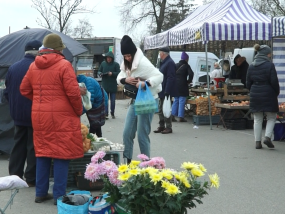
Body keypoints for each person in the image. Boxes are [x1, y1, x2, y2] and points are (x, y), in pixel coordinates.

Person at [20, 33, 83, 205]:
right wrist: (79, 110)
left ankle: (40, 193)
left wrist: (42, 101)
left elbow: (24, 89)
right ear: (58, 49)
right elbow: (73, 93)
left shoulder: (34, 66)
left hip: (40, 116)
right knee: (62, 154)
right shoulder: (64, 65)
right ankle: (58, 196)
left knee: (43, 153)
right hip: (62, 117)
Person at [117, 35, 163, 163]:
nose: (127, 58)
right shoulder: (126, 63)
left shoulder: (143, 63)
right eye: (125, 56)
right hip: (135, 100)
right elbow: (119, 77)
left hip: (148, 100)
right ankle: (127, 164)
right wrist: (125, 79)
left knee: (142, 135)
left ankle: (146, 167)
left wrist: (146, 83)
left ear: (133, 53)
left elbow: (159, 76)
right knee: (127, 133)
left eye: (129, 55)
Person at [4, 40, 42, 187]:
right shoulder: (37, 67)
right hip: (34, 113)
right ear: (38, 51)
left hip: (17, 114)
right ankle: (31, 178)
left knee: (18, 144)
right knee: (33, 146)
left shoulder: (13, 68)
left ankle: (15, 175)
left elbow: (7, 92)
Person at [246, 44, 280, 149]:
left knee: (257, 119)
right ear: (266, 54)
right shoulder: (269, 65)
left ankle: (257, 142)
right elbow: (274, 81)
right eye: (270, 53)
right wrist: (276, 92)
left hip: (255, 93)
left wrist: (252, 91)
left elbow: (248, 83)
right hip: (269, 93)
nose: (270, 55)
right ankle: (267, 137)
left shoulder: (251, 66)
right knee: (271, 117)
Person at [153, 46, 176, 134]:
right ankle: (161, 125)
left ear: (163, 53)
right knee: (160, 108)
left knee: (166, 108)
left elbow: (170, 77)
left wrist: (167, 90)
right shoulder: (164, 62)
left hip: (166, 89)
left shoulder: (169, 63)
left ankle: (168, 126)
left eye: (160, 53)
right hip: (162, 88)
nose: (159, 55)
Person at [171, 51, 194, 122]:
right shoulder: (186, 66)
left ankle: (172, 116)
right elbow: (191, 74)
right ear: (186, 59)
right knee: (182, 101)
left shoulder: (176, 65)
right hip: (183, 85)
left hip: (175, 85)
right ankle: (181, 117)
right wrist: (189, 81)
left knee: (176, 100)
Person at [98, 51, 120, 119]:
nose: (108, 59)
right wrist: (100, 73)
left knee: (112, 101)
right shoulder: (103, 64)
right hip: (105, 85)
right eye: (107, 58)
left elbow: (119, 73)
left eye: (110, 58)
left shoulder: (116, 64)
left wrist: (112, 74)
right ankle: (106, 114)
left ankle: (112, 112)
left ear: (112, 58)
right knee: (105, 101)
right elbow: (99, 71)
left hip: (113, 85)